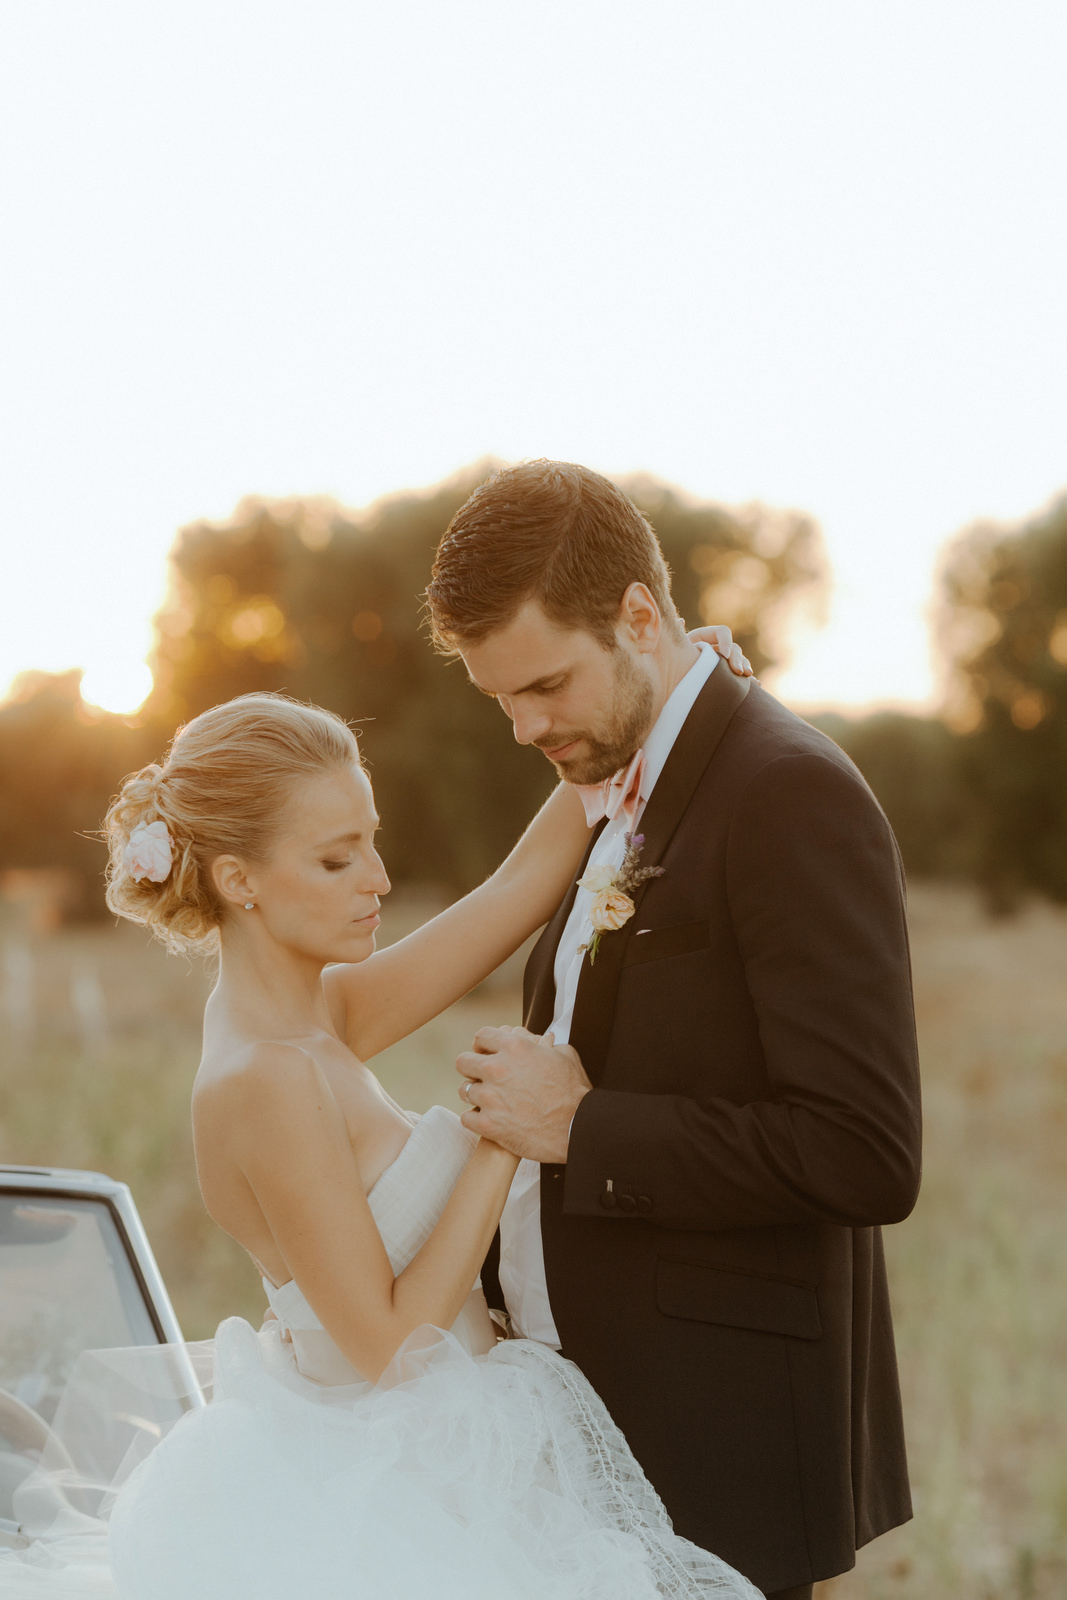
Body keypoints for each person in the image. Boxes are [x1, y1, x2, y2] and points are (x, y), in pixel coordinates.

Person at [0, 683, 760, 1600]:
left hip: (452, 1453)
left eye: (371, 840)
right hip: (394, 1498)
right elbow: (394, 1350)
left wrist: (658, 700)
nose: (378, 879)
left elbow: (519, 887)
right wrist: (500, 1141)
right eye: (335, 859)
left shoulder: (320, 1017)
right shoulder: (264, 1080)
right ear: (239, 881)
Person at [426, 460, 923, 1600]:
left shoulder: (788, 793)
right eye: (498, 697)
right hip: (575, 1428)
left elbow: (862, 1150)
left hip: (711, 1445)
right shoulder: (617, 786)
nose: (521, 725)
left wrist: (582, 1126)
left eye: (544, 683)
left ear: (638, 617)